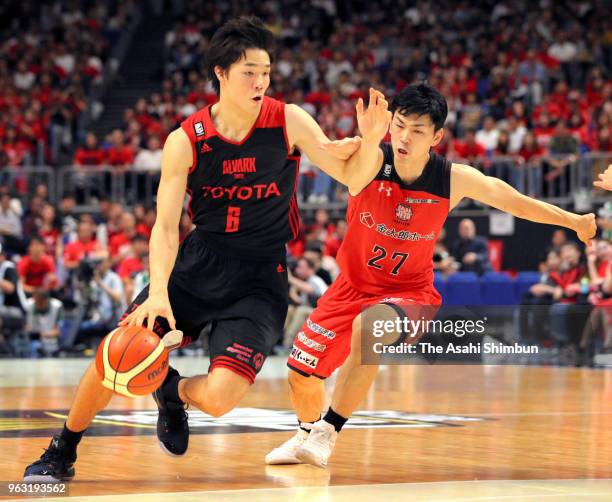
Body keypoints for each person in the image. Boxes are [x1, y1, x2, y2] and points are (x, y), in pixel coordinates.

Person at [23, 16, 385, 483]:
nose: (261, 82)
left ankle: (171, 394)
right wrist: (157, 294)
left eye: (266, 72)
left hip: (260, 277)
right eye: (249, 72)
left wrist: (371, 140)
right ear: (220, 73)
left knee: (218, 399)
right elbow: (166, 228)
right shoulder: (185, 140)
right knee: (119, 348)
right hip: (200, 263)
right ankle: (61, 450)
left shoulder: (288, 119)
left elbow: (354, 178)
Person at [266, 83, 596, 468]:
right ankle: (306, 433)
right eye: (400, 125)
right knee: (301, 373)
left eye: (418, 130)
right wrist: (362, 141)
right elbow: (346, 172)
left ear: (436, 136)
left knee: (369, 329)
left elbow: (513, 201)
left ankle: (328, 430)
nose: (405, 137)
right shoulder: (370, 158)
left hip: (411, 293)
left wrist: (574, 221)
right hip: (350, 287)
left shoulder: (451, 179)